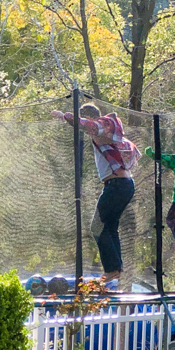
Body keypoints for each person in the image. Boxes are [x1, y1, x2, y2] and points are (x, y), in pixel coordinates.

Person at [53, 103, 141, 289]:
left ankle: (111, 269)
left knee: (96, 227)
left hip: (115, 185)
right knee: (110, 226)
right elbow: (135, 154)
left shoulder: (101, 128)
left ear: (89, 118)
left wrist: (65, 116)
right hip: (125, 184)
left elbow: (88, 126)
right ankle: (115, 268)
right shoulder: (114, 135)